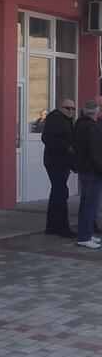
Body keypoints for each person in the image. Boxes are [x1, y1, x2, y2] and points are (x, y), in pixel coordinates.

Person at [41, 98, 76, 238]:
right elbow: (47, 139)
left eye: (73, 108)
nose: (71, 111)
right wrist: (66, 148)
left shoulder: (65, 120)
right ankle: (63, 228)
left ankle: (51, 226)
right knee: (61, 193)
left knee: (57, 193)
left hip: (62, 161)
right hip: (56, 162)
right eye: (68, 108)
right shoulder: (55, 120)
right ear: (60, 108)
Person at [73, 100, 102, 249]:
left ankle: (86, 234)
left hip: (84, 169)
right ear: (97, 113)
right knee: (91, 205)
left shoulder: (79, 125)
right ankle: (84, 236)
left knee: (86, 204)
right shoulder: (92, 127)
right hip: (92, 171)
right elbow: (96, 153)